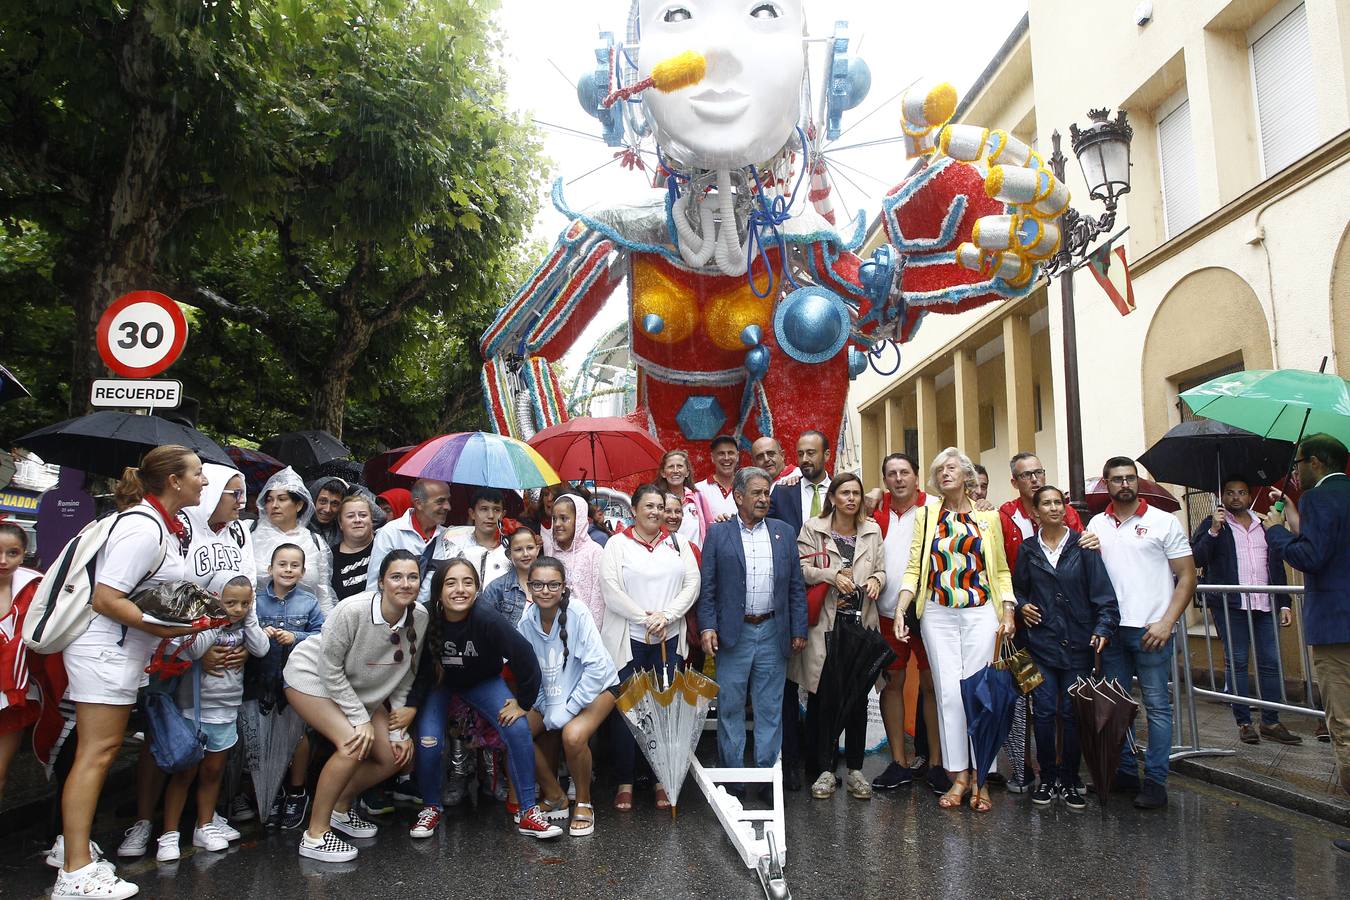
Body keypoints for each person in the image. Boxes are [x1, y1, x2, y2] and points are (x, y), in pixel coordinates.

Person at [52, 445, 209, 900]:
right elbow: (106, 598)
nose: (204, 481)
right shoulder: (143, 528)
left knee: (95, 750)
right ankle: (75, 871)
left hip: (119, 654)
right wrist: (165, 625)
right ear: (174, 481)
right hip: (105, 654)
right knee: (96, 753)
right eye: (197, 473)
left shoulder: (157, 524)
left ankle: (72, 851)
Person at [283, 550, 428, 862]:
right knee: (352, 743)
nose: (405, 584)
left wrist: (399, 724)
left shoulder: (420, 617)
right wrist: (359, 718)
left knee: (394, 755)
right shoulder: (352, 610)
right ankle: (315, 835)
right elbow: (329, 668)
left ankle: (340, 807)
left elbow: (407, 671)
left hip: (359, 690)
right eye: (396, 577)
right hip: (312, 678)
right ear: (381, 582)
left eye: (412, 577)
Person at [892, 447, 1014, 815]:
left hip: (980, 611)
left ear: (965, 476)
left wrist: (1007, 610)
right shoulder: (928, 515)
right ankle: (958, 775)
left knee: (980, 694)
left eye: (951, 468)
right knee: (947, 694)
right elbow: (915, 566)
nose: (944, 474)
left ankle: (981, 776)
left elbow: (1002, 571)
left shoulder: (988, 519)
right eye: (939, 470)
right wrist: (902, 607)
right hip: (937, 613)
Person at [405, 557, 561, 841]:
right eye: (451, 583)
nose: (460, 590)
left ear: (477, 588)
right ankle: (430, 807)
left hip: (482, 682)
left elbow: (524, 657)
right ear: (438, 590)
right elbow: (422, 671)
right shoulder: (426, 616)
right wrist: (412, 706)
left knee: (518, 729)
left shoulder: (486, 617)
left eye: (467, 582)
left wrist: (523, 703)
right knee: (429, 743)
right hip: (440, 685)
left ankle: (528, 812)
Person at [1087, 456, 1196, 810]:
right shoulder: (1096, 525)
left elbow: (1187, 577)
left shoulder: (1164, 522)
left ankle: (1156, 780)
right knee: (1117, 707)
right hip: (1112, 631)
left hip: (1152, 630)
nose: (1124, 484)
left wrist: (1167, 622)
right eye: (1117, 479)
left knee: (1157, 707)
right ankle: (1125, 773)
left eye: (1130, 478)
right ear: (1107, 484)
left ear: (1137, 481)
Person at [1259, 434, 1350, 854]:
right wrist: (1296, 520)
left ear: (1315, 462)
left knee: (1344, 726)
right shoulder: (1336, 496)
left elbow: (1312, 558)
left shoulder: (1320, 498)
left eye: (1299, 464)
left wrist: (1277, 532)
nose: (1296, 472)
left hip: (1336, 629)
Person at [698, 467, 807, 786]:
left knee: (770, 707)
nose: (764, 499)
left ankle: (764, 779)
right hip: (734, 635)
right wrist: (707, 627)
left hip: (774, 632)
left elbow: (796, 586)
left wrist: (798, 628)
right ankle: (734, 779)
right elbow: (709, 586)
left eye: (766, 493)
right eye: (757, 493)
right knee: (730, 707)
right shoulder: (719, 533)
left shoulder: (784, 532)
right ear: (738, 497)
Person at [1012, 486, 1119, 810]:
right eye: (1047, 503)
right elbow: (1016, 589)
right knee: (1043, 713)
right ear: (1036, 512)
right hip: (1039, 645)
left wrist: (1102, 628)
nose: (1054, 508)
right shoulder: (1028, 549)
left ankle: (1070, 779)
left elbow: (1104, 597)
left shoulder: (1083, 546)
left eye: (1059, 502)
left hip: (1077, 645)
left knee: (1072, 714)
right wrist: (1021, 606)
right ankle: (1047, 779)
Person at [600, 483, 700, 810]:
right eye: (650, 506)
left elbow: (692, 585)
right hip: (629, 639)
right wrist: (644, 618)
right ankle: (625, 782)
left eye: (661, 506)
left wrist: (667, 616)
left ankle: (663, 778)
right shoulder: (617, 544)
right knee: (628, 712)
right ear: (635, 509)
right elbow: (610, 590)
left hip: (668, 639)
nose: (656, 512)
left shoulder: (678, 543)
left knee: (666, 708)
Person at [157, 573, 269, 861]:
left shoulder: (245, 623)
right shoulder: (203, 623)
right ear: (215, 598)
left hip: (226, 708)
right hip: (194, 708)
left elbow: (262, 648)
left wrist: (251, 616)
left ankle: (204, 825)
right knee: (185, 773)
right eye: (230, 602)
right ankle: (169, 833)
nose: (238, 609)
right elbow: (194, 649)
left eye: (245, 603)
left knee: (213, 771)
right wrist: (214, 615)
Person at [997, 452, 1088, 794]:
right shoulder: (1004, 516)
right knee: (1027, 699)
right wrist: (1017, 607)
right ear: (1015, 482)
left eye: (1039, 472)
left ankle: (1066, 771)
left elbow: (1080, 550)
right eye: (1026, 475)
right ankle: (1027, 772)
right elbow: (1008, 571)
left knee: (1064, 704)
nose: (1034, 479)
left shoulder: (1067, 514)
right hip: (1018, 633)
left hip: (1063, 632)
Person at [795, 473, 884, 801]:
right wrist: (830, 575)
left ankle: (857, 769)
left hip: (861, 625)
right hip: (827, 627)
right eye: (844, 492)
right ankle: (825, 770)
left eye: (856, 493)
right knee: (823, 698)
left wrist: (876, 578)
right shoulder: (813, 528)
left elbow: (883, 568)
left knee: (858, 697)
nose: (850, 498)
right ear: (832, 496)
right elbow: (801, 569)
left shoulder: (872, 530)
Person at [1192, 476, 1298, 745]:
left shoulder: (1265, 525)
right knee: (1237, 662)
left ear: (1249, 496)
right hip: (1231, 606)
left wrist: (1284, 602)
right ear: (1222, 497)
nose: (1236, 497)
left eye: (1241, 492)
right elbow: (1196, 558)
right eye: (1230, 493)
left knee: (1271, 663)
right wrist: (1214, 531)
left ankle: (1271, 721)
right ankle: (1244, 722)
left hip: (1265, 604)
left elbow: (1276, 566)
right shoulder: (1214, 524)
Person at [519, 556, 619, 836]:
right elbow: (531, 672)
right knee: (515, 732)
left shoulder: (577, 613)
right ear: (529, 586)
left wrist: (568, 708)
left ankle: (584, 802)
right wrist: (544, 705)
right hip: (554, 694)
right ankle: (555, 795)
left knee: (573, 735)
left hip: (598, 689)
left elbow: (597, 670)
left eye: (553, 584)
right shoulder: (527, 621)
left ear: (564, 587)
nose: (545, 590)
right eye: (537, 584)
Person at [869, 453, 943, 793]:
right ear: (884, 480)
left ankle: (938, 763)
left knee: (933, 685)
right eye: (891, 474)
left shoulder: (936, 508)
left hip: (928, 612)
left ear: (916, 477)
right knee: (892, 683)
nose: (898, 479)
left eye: (904, 473)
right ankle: (898, 762)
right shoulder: (875, 510)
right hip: (885, 612)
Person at [767, 430, 832, 790]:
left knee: (824, 677)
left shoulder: (842, 490)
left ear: (826, 454)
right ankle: (790, 761)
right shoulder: (783, 491)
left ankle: (822, 761)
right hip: (790, 594)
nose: (806, 459)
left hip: (832, 595)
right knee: (790, 680)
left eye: (812, 453)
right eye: (801, 453)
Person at [253, 543, 326, 829]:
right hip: (263, 678)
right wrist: (261, 633)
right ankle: (272, 790)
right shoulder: (257, 601)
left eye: (294, 565)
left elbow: (322, 635)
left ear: (303, 571)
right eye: (282, 564)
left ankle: (297, 791)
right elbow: (247, 630)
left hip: (296, 679)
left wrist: (294, 636)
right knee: (265, 735)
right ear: (270, 569)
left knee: (296, 735)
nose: (287, 570)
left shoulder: (308, 602)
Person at [251, 468, 337, 612]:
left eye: (282, 499)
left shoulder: (314, 542)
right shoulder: (250, 533)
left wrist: (326, 628)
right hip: (256, 624)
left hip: (303, 626)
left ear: (299, 504)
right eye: (269, 499)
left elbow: (323, 593)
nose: (274, 505)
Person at [0, 521, 42, 802]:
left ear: (24, 552)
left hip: (14, 691)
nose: (3, 561)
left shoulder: (34, 588)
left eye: (12, 553)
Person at [420, 488, 510, 603]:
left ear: (503, 514)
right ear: (472, 513)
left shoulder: (511, 549)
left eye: (497, 510)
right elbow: (433, 581)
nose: (491, 515)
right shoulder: (451, 542)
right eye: (484, 509)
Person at [365, 479, 449, 592]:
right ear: (419, 503)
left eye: (448, 500)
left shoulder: (448, 536)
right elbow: (374, 586)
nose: (448, 507)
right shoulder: (391, 533)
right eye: (440, 501)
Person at [183, 463, 255, 589]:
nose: (242, 501)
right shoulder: (182, 527)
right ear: (212, 492)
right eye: (236, 493)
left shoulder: (239, 531)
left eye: (243, 494)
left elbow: (250, 585)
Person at [541, 494, 606, 628]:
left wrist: (590, 636)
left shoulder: (594, 552)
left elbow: (598, 602)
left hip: (584, 630)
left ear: (579, 520)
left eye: (564, 518)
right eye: (554, 518)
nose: (557, 524)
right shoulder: (550, 551)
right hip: (554, 629)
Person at [481, 526, 541, 626]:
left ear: (537, 550)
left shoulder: (549, 584)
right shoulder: (496, 589)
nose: (525, 554)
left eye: (530, 548)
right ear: (509, 554)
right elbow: (484, 627)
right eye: (518, 549)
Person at [656, 449, 708, 546]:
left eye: (680, 466)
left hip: (695, 558)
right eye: (671, 466)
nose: (675, 471)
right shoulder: (657, 500)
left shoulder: (698, 498)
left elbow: (709, 528)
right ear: (663, 473)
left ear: (687, 472)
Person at [332, 493, 377, 602]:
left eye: (363, 515)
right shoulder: (330, 556)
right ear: (340, 523)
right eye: (350, 516)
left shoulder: (384, 544)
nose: (357, 520)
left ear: (371, 520)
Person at [694, 435, 742, 522]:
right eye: (721, 453)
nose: (726, 458)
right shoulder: (698, 490)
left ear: (737, 456)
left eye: (730, 453)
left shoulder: (746, 487)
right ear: (712, 457)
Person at [307, 477, 349, 549]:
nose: (327, 509)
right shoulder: (298, 526)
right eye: (323, 501)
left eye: (335, 504)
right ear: (313, 500)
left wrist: (351, 489)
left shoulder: (344, 530)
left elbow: (373, 519)